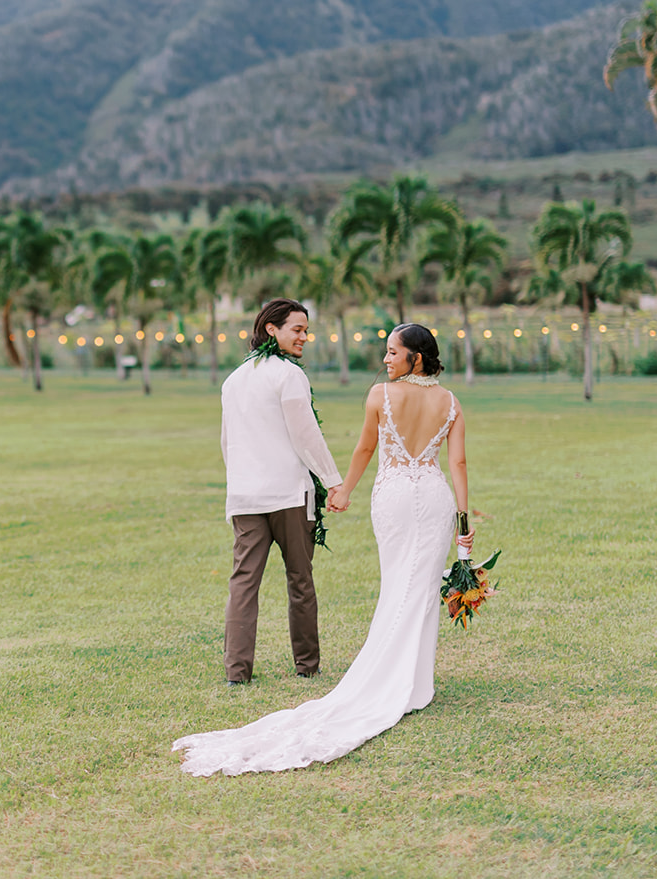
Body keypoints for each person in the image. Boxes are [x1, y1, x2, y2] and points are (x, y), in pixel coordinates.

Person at [174, 322, 476, 776]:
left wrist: (344, 491)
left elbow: (365, 449)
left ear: (416, 357)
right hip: (434, 497)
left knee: (403, 585)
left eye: (393, 353)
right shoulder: (450, 403)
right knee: (417, 586)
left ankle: (406, 681)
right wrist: (464, 522)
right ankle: (414, 683)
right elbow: (457, 463)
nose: (386, 360)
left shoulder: (380, 396)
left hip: (394, 496)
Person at [216, 298, 345, 686]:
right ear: (271, 329)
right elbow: (306, 435)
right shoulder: (289, 375)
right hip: (289, 495)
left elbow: (227, 443)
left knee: (243, 583)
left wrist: (241, 480)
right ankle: (307, 665)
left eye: (306, 330)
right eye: (297, 329)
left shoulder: (233, 380)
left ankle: (236, 672)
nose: (304, 337)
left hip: (245, 497)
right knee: (300, 581)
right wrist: (333, 480)